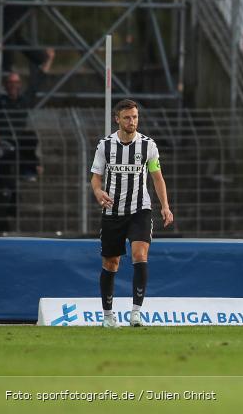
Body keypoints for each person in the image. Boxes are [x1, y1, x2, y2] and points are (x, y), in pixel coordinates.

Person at [90, 99, 174, 328]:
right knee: (111, 262)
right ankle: (108, 316)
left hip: (140, 209)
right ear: (117, 119)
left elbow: (157, 177)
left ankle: (136, 313)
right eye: (127, 117)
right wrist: (98, 192)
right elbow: (96, 176)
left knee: (140, 254)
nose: (132, 121)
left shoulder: (148, 145)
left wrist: (165, 206)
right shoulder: (105, 146)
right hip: (113, 211)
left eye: (135, 117)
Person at [0, 68, 54, 180]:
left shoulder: (24, 101)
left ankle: (29, 171)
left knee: (30, 138)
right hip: (3, 139)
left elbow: (36, 84)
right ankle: (31, 168)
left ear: (20, 85)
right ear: (5, 85)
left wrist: (48, 61)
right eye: (10, 82)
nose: (13, 85)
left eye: (16, 82)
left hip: (19, 140)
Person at [0, 125, 17, 234]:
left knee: (0, 209)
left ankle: (3, 232)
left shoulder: (6, 147)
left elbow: (15, 162)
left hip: (3, 182)